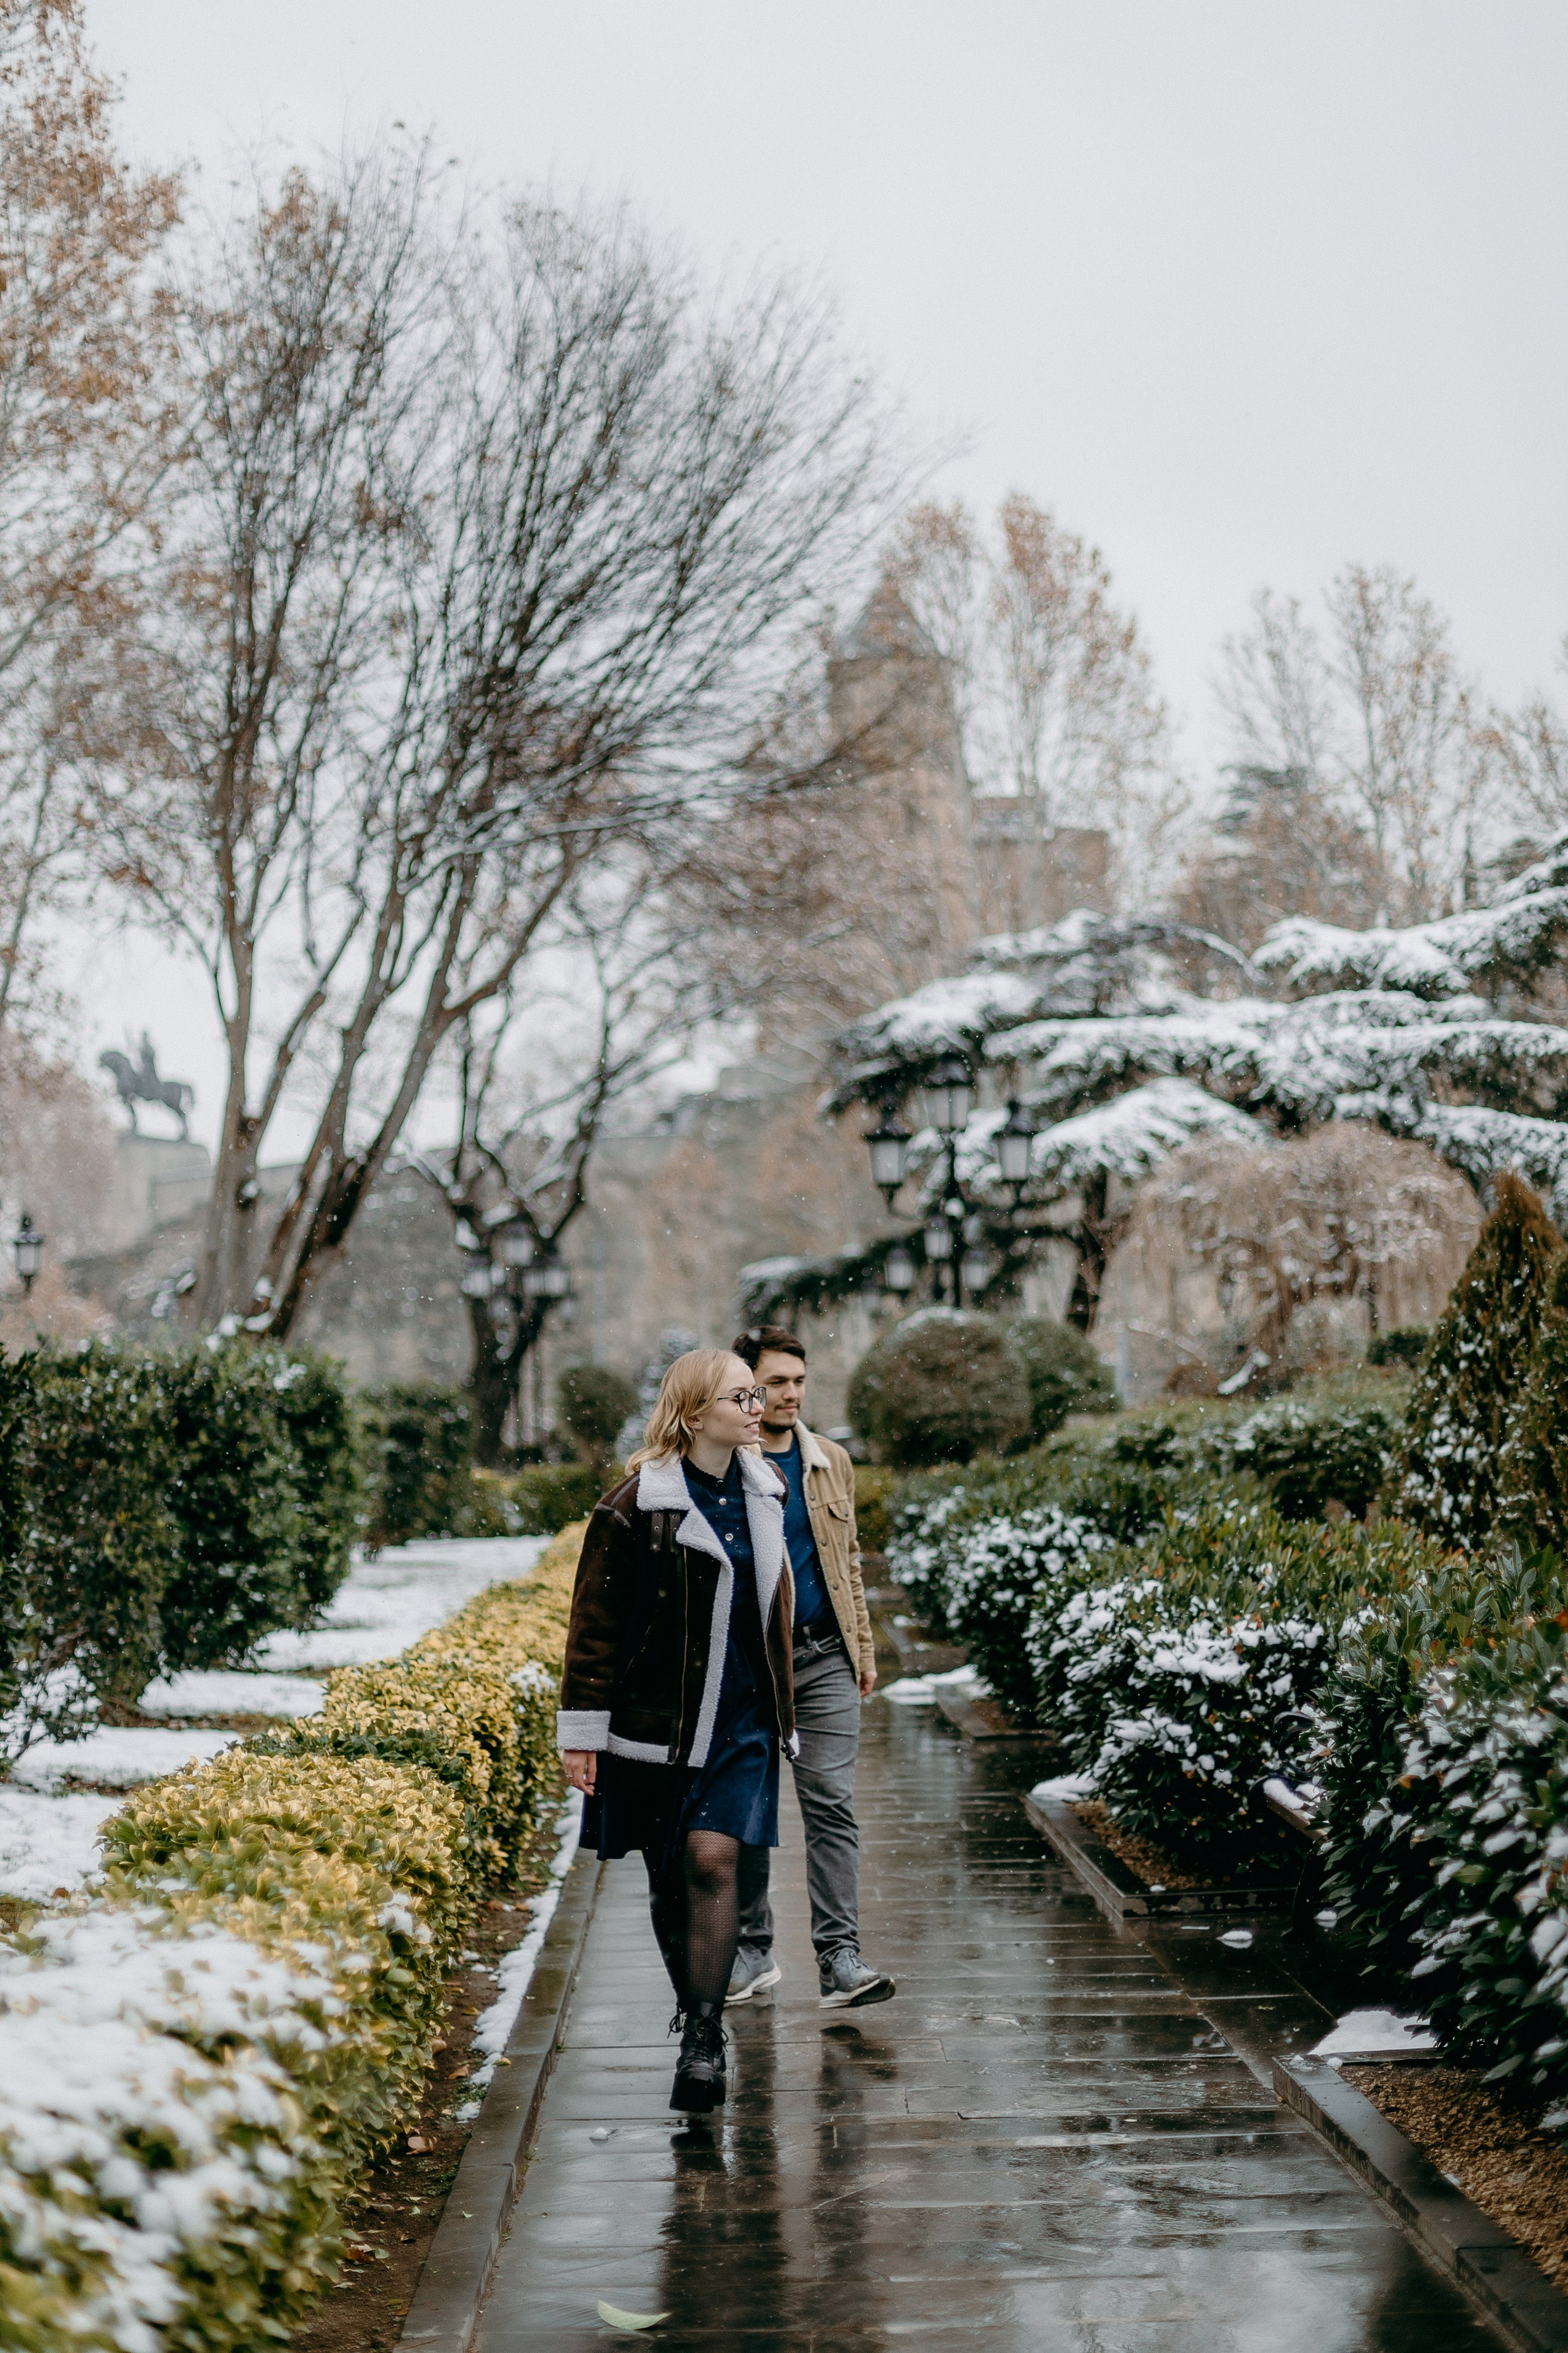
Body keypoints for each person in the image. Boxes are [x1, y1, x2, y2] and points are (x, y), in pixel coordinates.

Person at [557, 1348, 795, 2114]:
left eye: (757, 1394)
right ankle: (699, 2018)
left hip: (743, 1716)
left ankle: (701, 2036)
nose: (757, 1406)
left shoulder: (767, 1489)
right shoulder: (634, 1505)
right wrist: (582, 1731)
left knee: (711, 1855)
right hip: (656, 1726)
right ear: (696, 1414)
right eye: (741, 1396)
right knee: (667, 1878)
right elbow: (593, 1627)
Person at [726, 1324, 895, 2011]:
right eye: (776, 1382)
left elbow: (846, 1561)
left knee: (831, 1804)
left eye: (799, 1380)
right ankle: (751, 1949)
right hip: (746, 1664)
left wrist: (863, 1649)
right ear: (747, 1389)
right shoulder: (720, 1467)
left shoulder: (829, 1461)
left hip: (824, 1657)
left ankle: (840, 1958)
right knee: (749, 1809)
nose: (791, 1394)